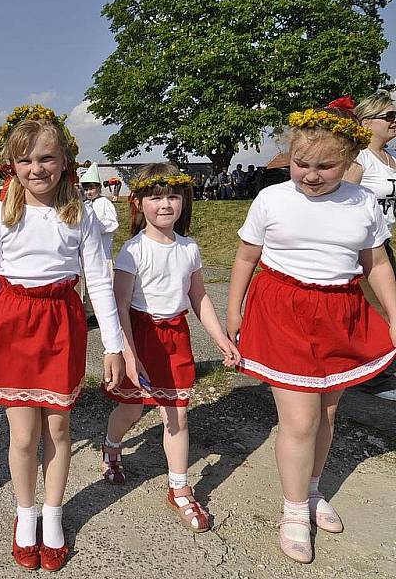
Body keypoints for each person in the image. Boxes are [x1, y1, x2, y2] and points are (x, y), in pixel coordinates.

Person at [226, 103, 396, 564]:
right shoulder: (272, 199)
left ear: (349, 161)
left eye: (326, 166)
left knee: (326, 416)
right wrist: (234, 311)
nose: (312, 175)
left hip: (340, 312)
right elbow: (245, 257)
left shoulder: (361, 202)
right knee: (299, 421)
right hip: (284, 312)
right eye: (302, 164)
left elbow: (376, 264)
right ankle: (294, 509)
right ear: (290, 156)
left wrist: (395, 314)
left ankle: (314, 489)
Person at [0, 118, 125, 572]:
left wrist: (113, 345)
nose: (36, 168)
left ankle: (53, 514)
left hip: (61, 323)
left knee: (58, 430)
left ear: (64, 161)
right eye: (25, 159)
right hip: (13, 325)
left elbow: (98, 279)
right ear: (11, 166)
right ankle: (25, 514)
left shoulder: (82, 214)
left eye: (46, 158)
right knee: (23, 435)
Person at [101, 163, 240, 533]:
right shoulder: (132, 251)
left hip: (175, 337)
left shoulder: (189, 247)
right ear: (139, 203)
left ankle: (179, 488)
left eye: (173, 196)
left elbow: (198, 297)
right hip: (141, 336)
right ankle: (112, 446)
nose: (165, 204)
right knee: (130, 408)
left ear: (184, 201)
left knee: (176, 414)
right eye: (156, 196)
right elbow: (120, 308)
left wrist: (221, 338)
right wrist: (129, 355)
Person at [346, 91, 396, 400]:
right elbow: (342, 200)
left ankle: (380, 367)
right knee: (375, 310)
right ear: (366, 122)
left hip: (382, 241)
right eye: (389, 116)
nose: (395, 121)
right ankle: (370, 375)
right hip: (360, 246)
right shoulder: (360, 157)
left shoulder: (390, 157)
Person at [79, 168, 119, 324]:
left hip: (103, 250)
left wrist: (97, 227)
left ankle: (104, 312)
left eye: (91, 188)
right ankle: (89, 311)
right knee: (89, 281)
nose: (89, 192)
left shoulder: (104, 203)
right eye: (86, 189)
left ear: (99, 188)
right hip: (89, 251)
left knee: (105, 281)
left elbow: (113, 224)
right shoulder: (86, 204)